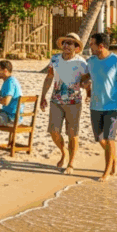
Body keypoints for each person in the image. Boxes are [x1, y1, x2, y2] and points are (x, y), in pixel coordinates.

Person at [40, 33, 88, 174]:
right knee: (53, 131)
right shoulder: (54, 59)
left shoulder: (81, 63)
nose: (66, 45)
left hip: (74, 102)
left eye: (70, 43)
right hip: (56, 100)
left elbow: (85, 81)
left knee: (72, 134)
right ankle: (64, 152)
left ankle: (71, 163)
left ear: (76, 47)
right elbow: (49, 77)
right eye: (65, 42)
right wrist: (43, 96)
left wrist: (88, 92)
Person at [85, 33, 117, 182]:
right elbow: (86, 78)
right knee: (99, 138)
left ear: (101, 46)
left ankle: (107, 171)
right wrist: (85, 87)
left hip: (112, 106)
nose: (90, 47)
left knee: (109, 139)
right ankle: (114, 159)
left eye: (92, 44)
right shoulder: (90, 61)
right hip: (95, 105)